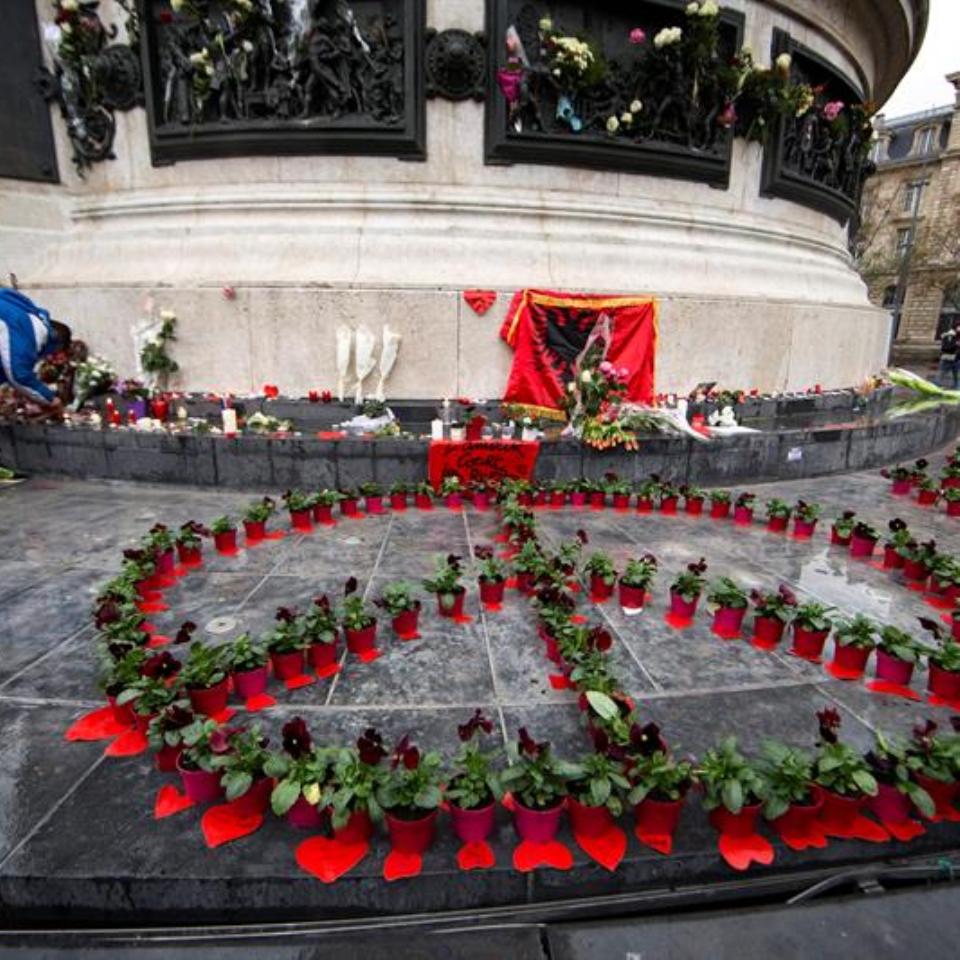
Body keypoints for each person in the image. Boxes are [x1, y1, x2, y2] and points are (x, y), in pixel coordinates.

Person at [0, 287, 72, 418]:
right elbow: (19, 375)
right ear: (55, 344)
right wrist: (51, 400)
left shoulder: (22, 309)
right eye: (53, 353)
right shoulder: (27, 332)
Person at [938, 321, 960, 390]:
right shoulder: (949, 335)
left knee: (957, 376)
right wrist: (956, 345)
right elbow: (945, 347)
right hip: (947, 359)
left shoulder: (958, 336)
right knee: (942, 375)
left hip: (957, 360)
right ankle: (936, 389)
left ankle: (956, 389)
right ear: (957, 327)